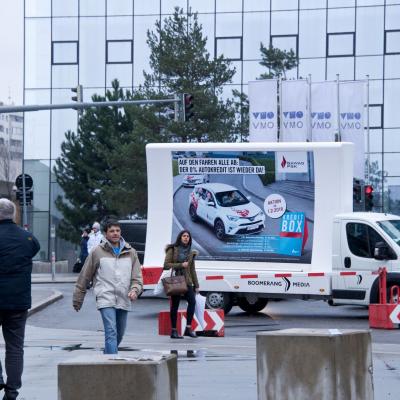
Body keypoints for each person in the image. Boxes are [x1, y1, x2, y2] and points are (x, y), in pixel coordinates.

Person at [73, 220, 143, 354]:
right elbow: (84, 276)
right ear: (106, 233)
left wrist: (135, 290)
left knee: (119, 334)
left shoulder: (131, 252)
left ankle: (106, 357)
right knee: (111, 331)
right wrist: (78, 299)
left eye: (117, 231)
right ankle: (112, 365)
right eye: (112, 231)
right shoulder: (97, 252)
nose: (115, 233)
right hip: (105, 297)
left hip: (124, 298)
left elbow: (137, 278)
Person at [0, 198, 40, 400]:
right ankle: (11, 392)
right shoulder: (28, 239)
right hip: (18, 301)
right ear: (13, 214)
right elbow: (34, 250)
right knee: (15, 347)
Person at [163, 230, 199, 339]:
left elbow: (192, 269)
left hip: (187, 281)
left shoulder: (191, 252)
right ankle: (174, 331)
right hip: (176, 280)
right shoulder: (173, 249)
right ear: (180, 237)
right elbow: (166, 265)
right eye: (184, 236)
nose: (186, 238)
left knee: (192, 302)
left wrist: (196, 285)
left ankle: (188, 328)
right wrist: (180, 265)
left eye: (188, 236)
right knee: (175, 305)